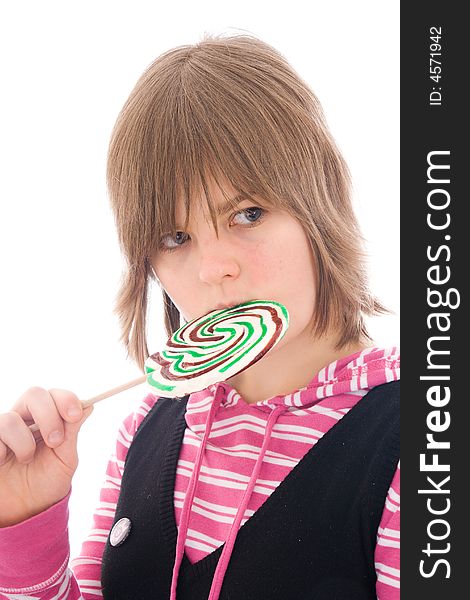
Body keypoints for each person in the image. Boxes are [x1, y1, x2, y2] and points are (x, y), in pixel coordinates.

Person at [0, 33, 400, 599]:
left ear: (320, 202)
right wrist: (26, 525)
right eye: (175, 236)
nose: (213, 267)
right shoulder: (150, 428)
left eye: (248, 213)